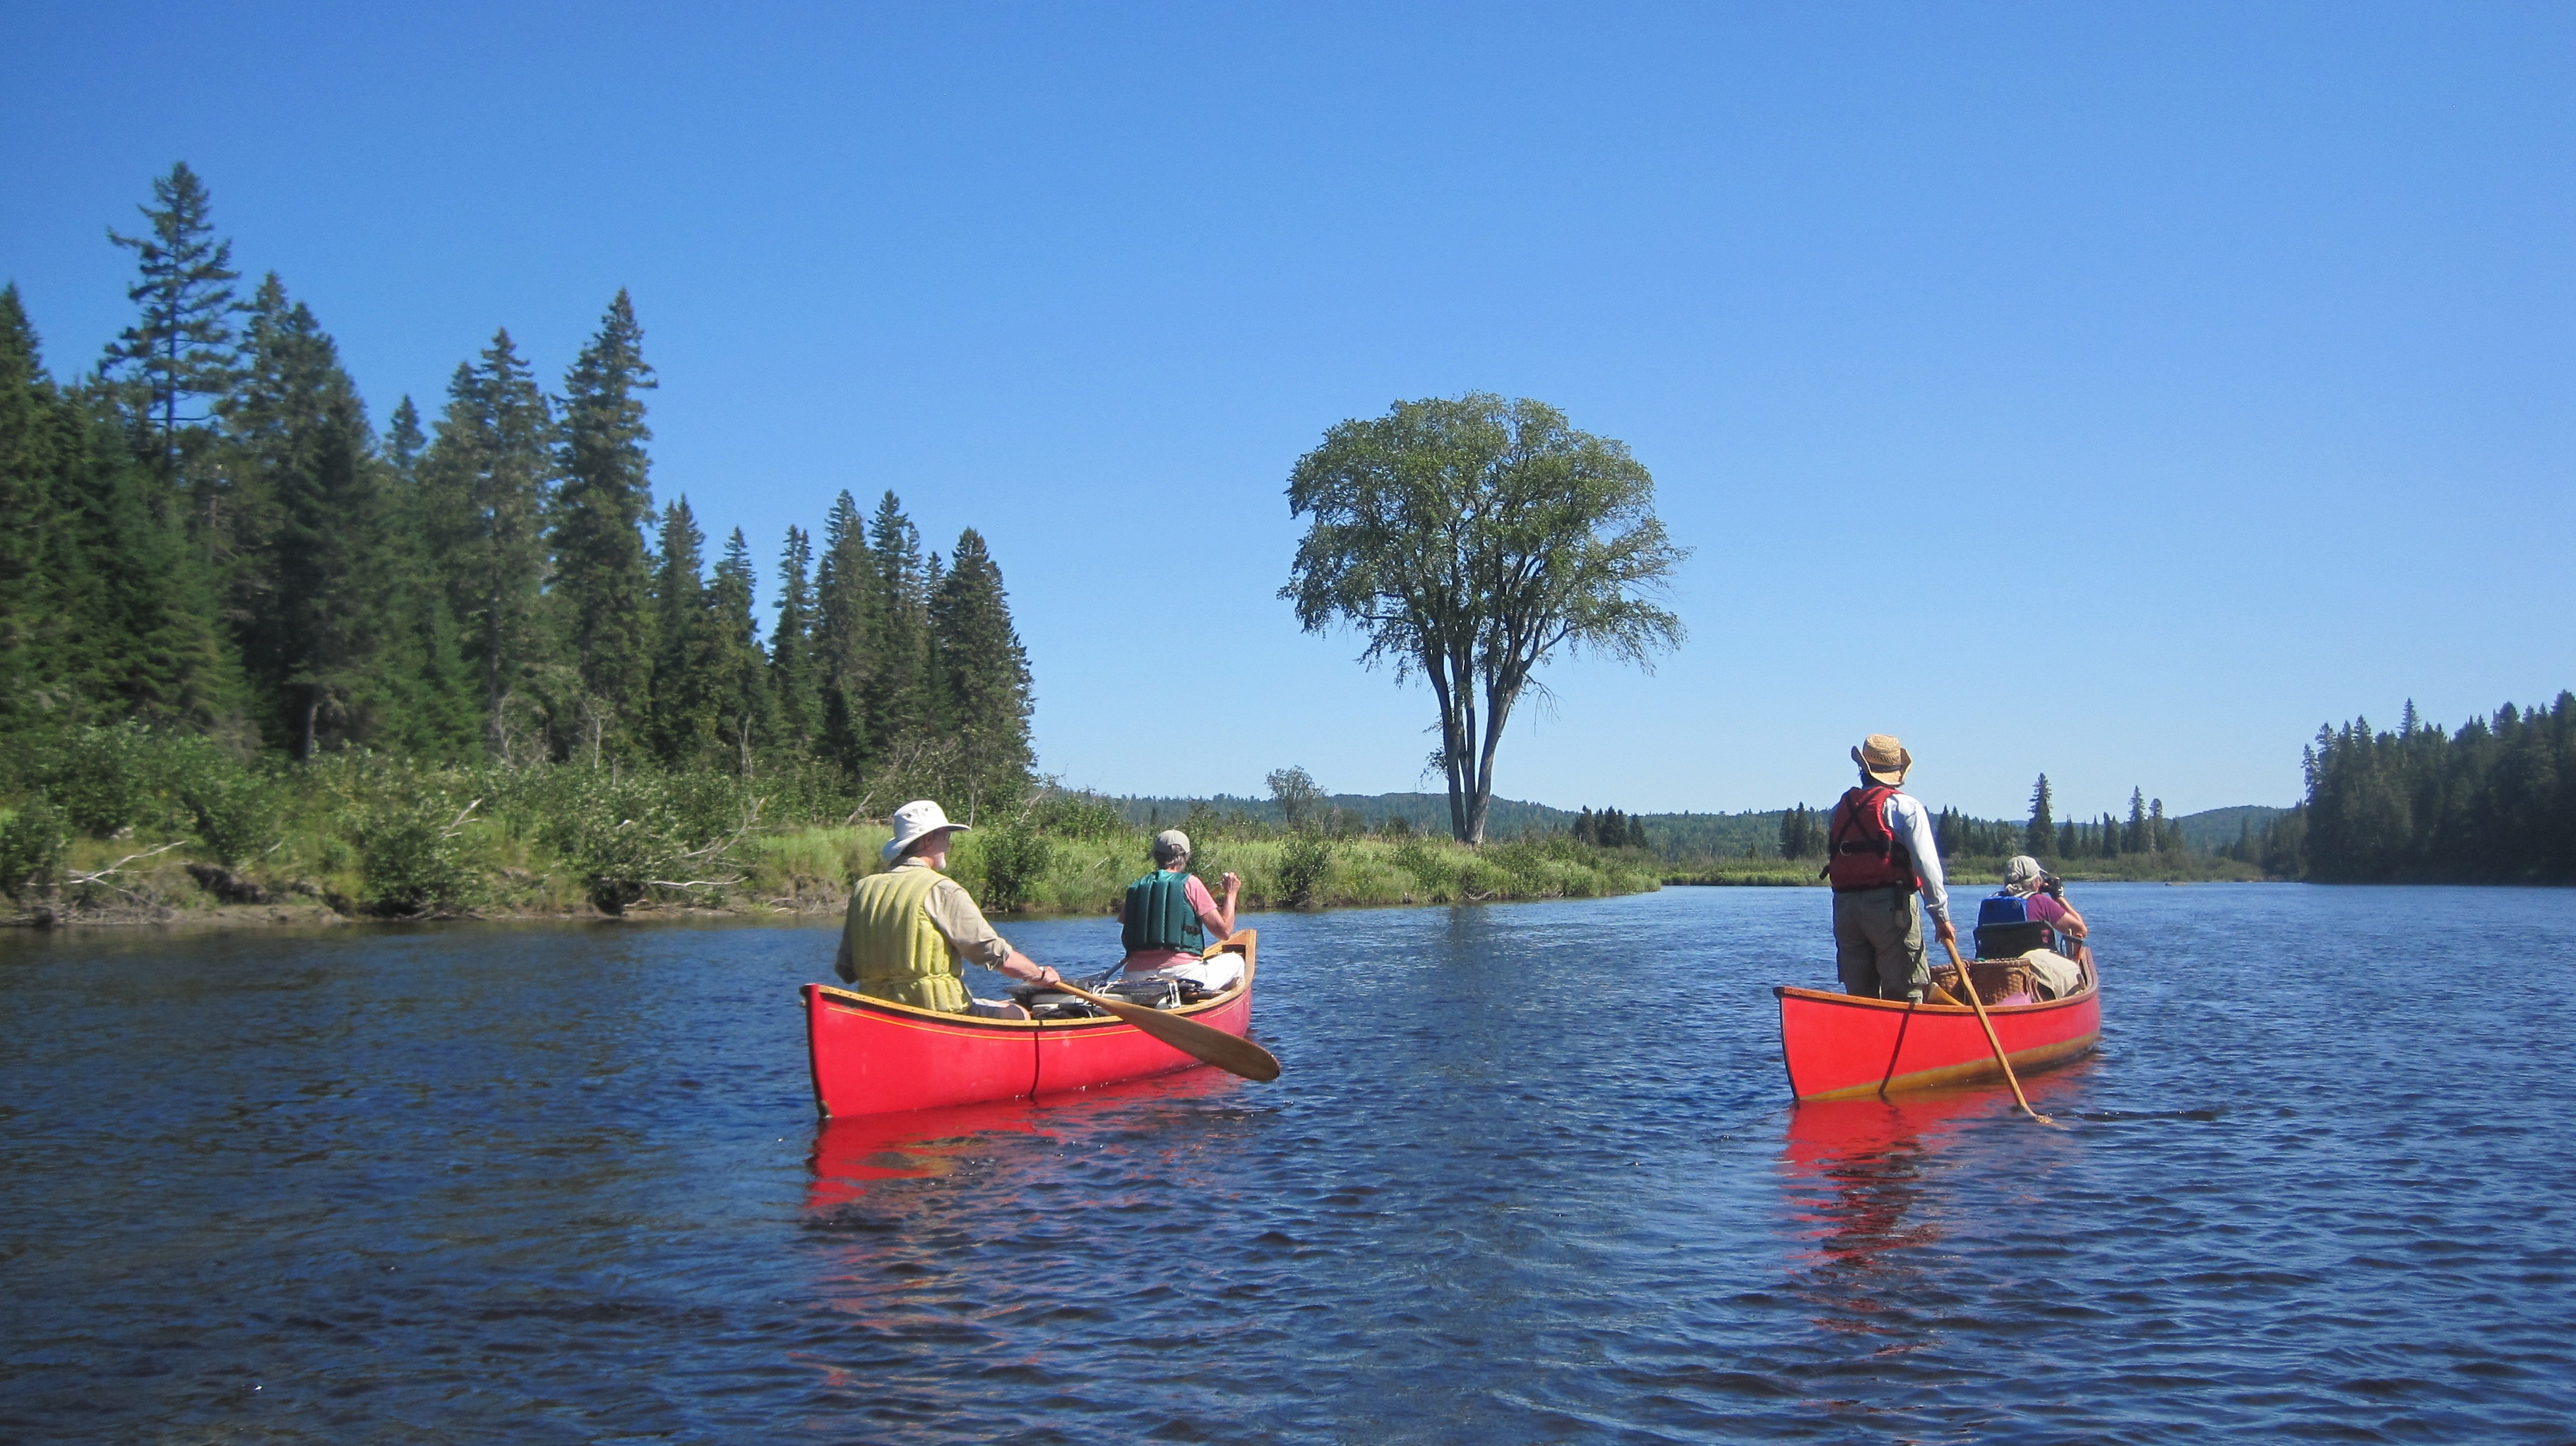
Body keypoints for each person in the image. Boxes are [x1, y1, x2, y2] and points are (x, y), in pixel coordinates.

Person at [834, 799, 1066, 1019]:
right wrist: (1039, 974)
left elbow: (846, 970)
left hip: (878, 1014)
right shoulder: (941, 889)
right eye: (945, 837)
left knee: (1002, 1004)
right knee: (1018, 1014)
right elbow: (993, 953)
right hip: (937, 1013)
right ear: (927, 841)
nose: (949, 844)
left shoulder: (863, 890)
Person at [1823, 734, 1953, 1003]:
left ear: (1863, 769)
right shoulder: (1906, 807)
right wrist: (1941, 916)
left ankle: (1867, 1042)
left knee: (1860, 996)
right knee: (1905, 991)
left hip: (1846, 910)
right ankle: (1907, 1043)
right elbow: (1926, 865)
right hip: (1891, 910)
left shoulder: (1840, 808)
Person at [1119, 830, 1244, 991]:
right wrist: (1231, 893)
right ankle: (1214, 1005)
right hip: (1183, 975)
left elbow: (1126, 936)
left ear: (1156, 855)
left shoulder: (1137, 887)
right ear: (1186, 857)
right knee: (1237, 961)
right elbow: (1224, 932)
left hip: (1134, 977)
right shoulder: (1190, 883)